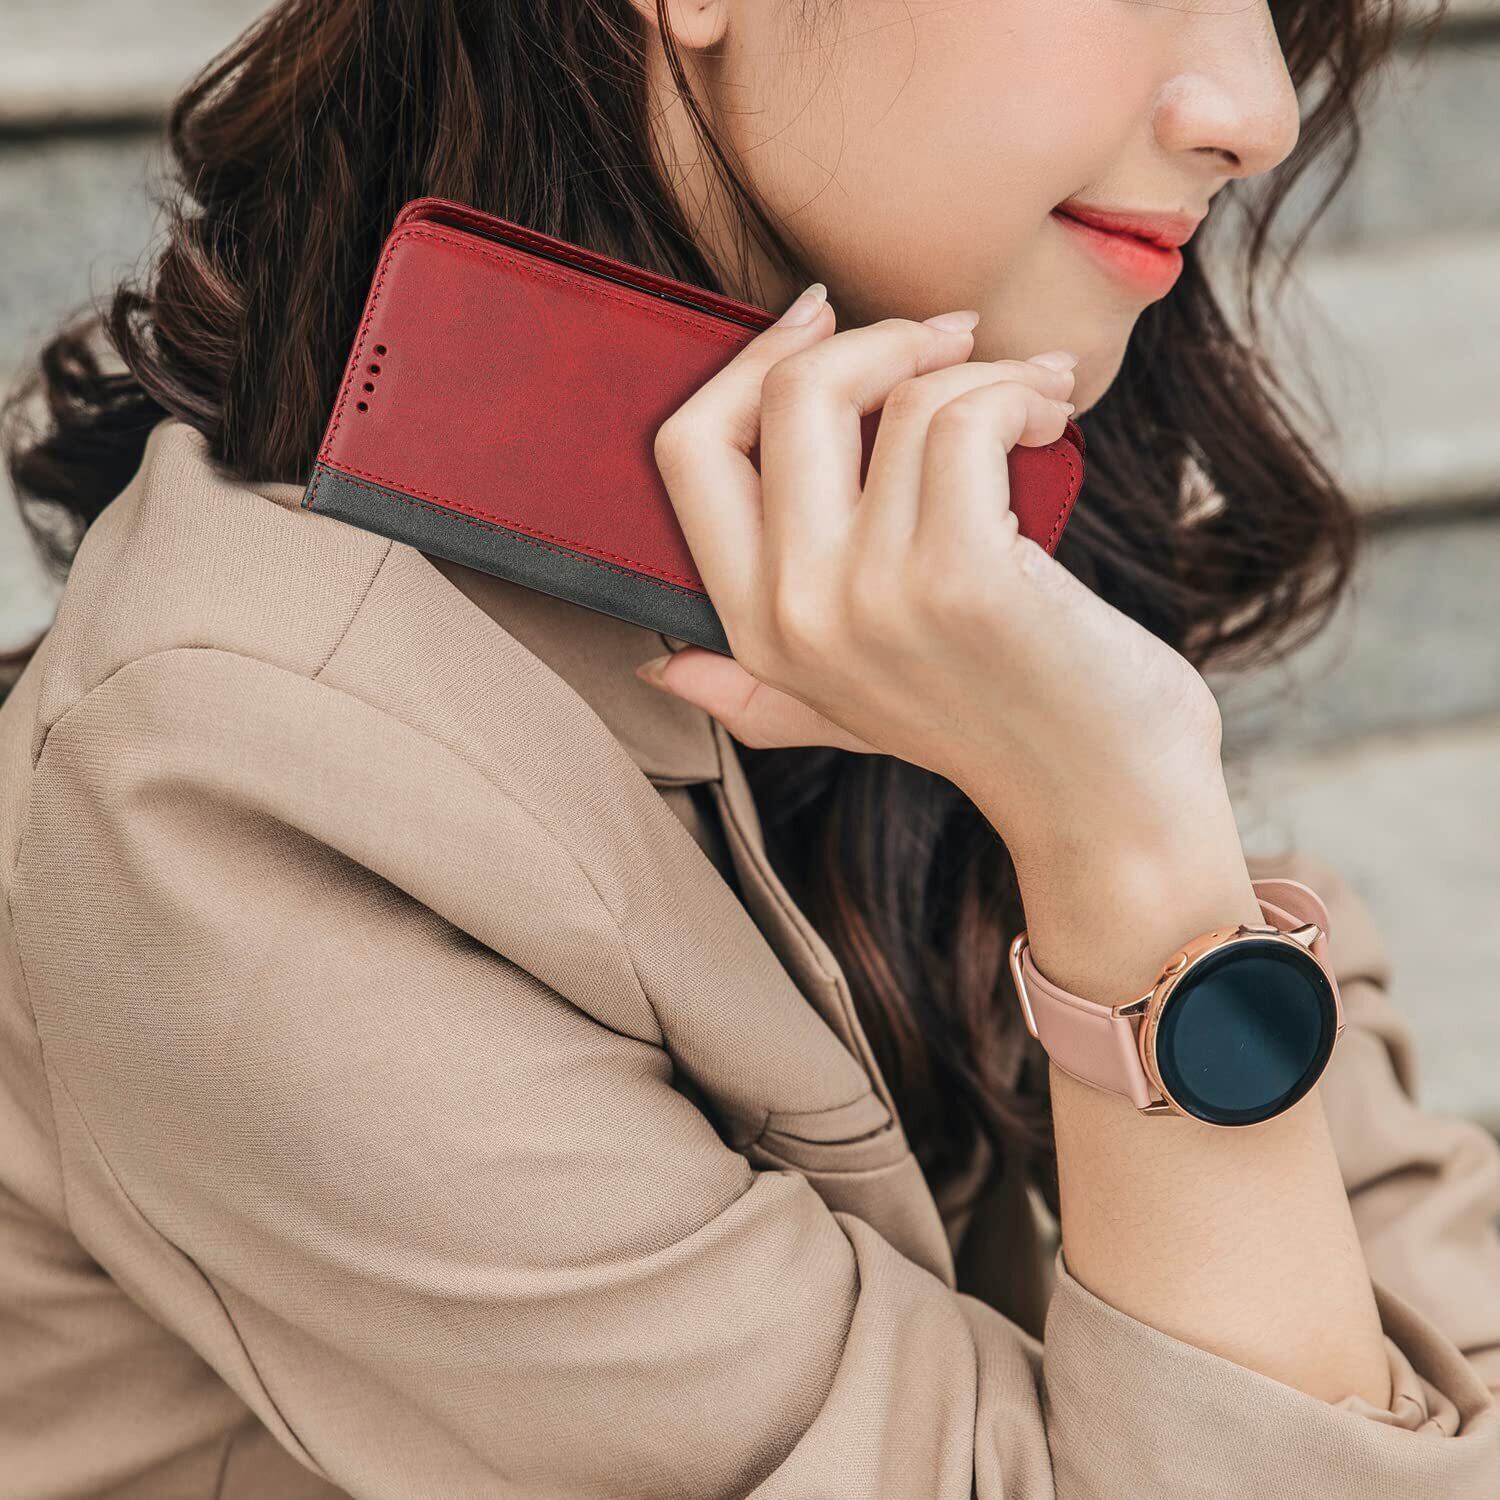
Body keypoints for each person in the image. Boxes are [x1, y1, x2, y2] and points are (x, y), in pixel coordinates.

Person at [1, 1, 1497, 1495]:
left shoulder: (935, 520)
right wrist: (1123, 841)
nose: (1259, 111)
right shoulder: (237, 779)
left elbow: (1444, 1303)